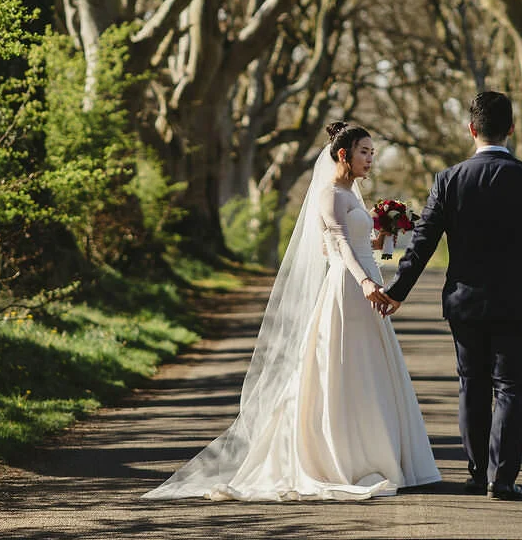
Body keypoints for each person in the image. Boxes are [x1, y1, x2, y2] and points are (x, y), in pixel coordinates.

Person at [143, 122, 440, 501]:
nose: (370, 159)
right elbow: (339, 246)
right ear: (344, 154)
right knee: (345, 367)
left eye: (372, 153)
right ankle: (343, 457)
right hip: (348, 288)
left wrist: (382, 240)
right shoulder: (329, 194)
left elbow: (365, 248)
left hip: (366, 282)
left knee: (372, 368)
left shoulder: (352, 193)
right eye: (364, 152)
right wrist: (365, 282)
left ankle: (383, 453)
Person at [378, 91, 522, 501]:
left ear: (471, 129)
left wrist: (397, 292)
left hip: (464, 304)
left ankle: (476, 473)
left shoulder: (448, 180)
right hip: (517, 304)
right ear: (512, 129)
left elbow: (423, 244)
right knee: (511, 389)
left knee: (472, 385)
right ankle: (501, 479)